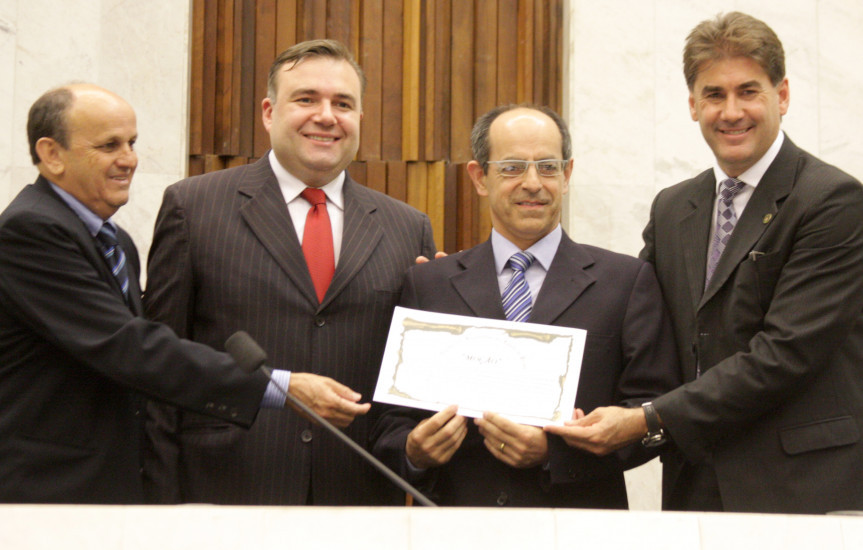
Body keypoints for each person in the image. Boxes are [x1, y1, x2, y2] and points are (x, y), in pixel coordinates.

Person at [546, 12, 863, 514]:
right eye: (714, 94)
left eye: (748, 91)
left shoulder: (833, 201)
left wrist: (646, 418)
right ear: (693, 105)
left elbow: (784, 355)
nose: (731, 111)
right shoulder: (674, 207)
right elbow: (626, 314)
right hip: (696, 488)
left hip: (802, 490)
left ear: (782, 96)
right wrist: (477, 290)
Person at [143, 39, 436, 505]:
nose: (326, 116)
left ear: (360, 119)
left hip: (357, 502)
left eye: (343, 104)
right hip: (222, 495)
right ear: (268, 112)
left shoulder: (408, 228)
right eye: (306, 99)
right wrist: (159, 507)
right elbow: (158, 367)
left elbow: (415, 388)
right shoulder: (194, 208)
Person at [0, 83, 299, 503]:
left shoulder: (115, 241)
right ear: (51, 154)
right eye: (109, 146)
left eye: (132, 142)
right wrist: (275, 387)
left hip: (111, 490)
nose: (129, 160)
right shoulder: (30, 231)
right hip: (48, 496)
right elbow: (129, 347)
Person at [369, 105, 681, 508]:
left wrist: (556, 455)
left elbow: (654, 412)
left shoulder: (625, 282)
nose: (533, 183)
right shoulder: (429, 285)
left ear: (566, 176)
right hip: (460, 530)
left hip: (580, 530)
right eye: (513, 167)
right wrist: (414, 450)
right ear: (480, 178)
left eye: (548, 167)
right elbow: (388, 422)